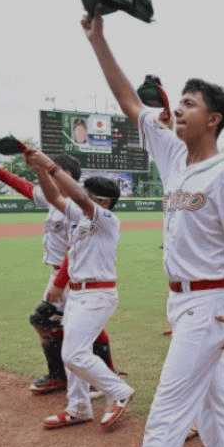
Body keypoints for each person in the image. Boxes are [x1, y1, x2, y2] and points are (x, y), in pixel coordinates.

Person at [72, 6, 224, 447]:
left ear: (215, 119)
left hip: (212, 301)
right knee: (208, 396)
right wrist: (98, 39)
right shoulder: (175, 156)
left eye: (188, 104)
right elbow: (130, 102)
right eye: (177, 102)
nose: (175, 109)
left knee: (166, 416)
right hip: (182, 299)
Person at [0, 155, 114, 398]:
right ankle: (66, 375)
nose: (51, 179)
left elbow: (76, 249)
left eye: (55, 174)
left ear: (68, 177)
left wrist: (60, 283)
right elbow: (27, 188)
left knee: (53, 321)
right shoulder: (56, 201)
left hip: (71, 275)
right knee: (58, 323)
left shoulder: (78, 209)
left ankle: (86, 376)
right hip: (59, 274)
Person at [24, 149, 136, 431]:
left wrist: (51, 166)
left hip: (97, 295)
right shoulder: (84, 220)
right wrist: (41, 170)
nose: (79, 196)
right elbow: (53, 197)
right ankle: (79, 408)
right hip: (77, 293)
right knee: (72, 354)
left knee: (75, 355)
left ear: (103, 200)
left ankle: (119, 391)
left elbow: (78, 197)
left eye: (87, 194)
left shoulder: (107, 220)